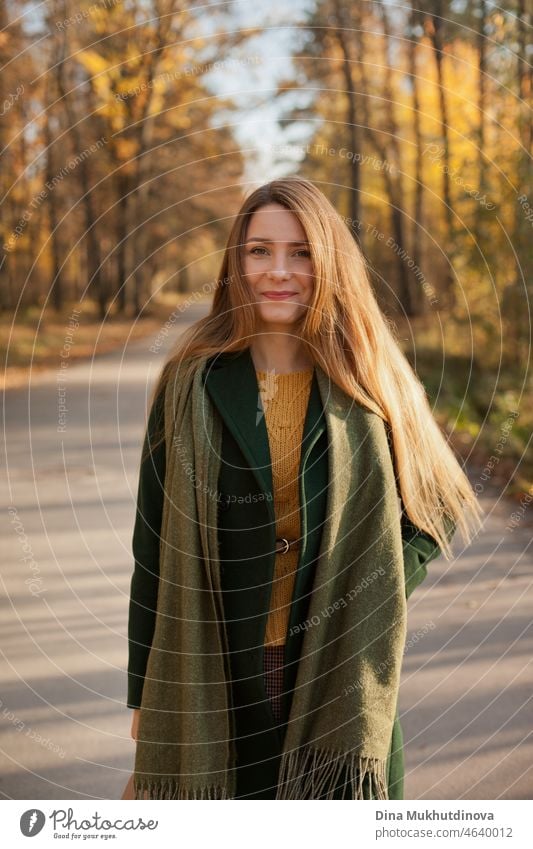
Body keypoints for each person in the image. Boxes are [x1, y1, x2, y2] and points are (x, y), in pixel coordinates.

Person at [123, 176, 483, 800]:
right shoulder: (190, 381)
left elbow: (438, 502)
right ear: (237, 263)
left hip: (338, 668)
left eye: (301, 253)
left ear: (329, 263)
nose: (277, 271)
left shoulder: (368, 373)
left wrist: (375, 588)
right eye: (259, 251)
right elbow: (151, 545)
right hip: (217, 670)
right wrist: (141, 688)